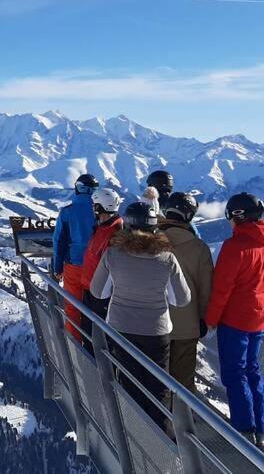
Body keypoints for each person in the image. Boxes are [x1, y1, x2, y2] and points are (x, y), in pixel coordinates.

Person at [90, 201, 191, 429]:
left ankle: (133, 434)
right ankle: (162, 441)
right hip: (156, 331)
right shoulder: (167, 259)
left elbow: (98, 292)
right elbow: (181, 299)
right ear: (155, 229)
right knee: (159, 387)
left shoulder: (113, 254)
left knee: (129, 381)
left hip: (121, 328)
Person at [205, 192, 264, 448]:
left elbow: (221, 289)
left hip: (234, 320)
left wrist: (211, 319)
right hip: (258, 319)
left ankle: (243, 429)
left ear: (239, 216)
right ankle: (260, 429)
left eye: (230, 217)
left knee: (234, 373)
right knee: (253, 371)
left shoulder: (235, 247)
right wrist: (261, 303)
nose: (229, 223)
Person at [159, 192, 214, 393]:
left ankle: (157, 421)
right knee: (182, 382)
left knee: (156, 379)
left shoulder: (149, 241)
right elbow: (206, 290)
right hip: (187, 324)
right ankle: (183, 420)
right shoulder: (199, 248)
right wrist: (202, 319)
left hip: (154, 322)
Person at [52, 173, 98, 339]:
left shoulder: (67, 212)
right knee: (95, 307)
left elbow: (58, 241)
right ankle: (95, 345)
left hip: (74, 265)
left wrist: (57, 268)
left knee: (72, 308)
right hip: (97, 267)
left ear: (77, 189)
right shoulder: (101, 213)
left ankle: (75, 348)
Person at [77, 187, 124, 348]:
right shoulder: (103, 228)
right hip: (92, 290)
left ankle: (97, 370)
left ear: (99, 207)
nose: (92, 209)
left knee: (97, 339)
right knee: (89, 333)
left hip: (101, 295)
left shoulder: (113, 232)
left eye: (94, 205)